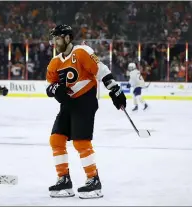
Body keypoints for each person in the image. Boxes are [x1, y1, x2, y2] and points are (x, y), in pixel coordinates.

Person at [45, 24, 127, 199]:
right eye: (53, 38)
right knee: (56, 139)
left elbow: (101, 70)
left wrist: (115, 89)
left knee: (81, 142)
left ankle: (93, 180)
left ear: (67, 38)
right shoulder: (55, 62)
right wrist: (55, 90)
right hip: (68, 105)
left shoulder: (82, 52)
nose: (54, 42)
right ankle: (64, 180)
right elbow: (49, 87)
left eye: (57, 38)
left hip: (85, 101)